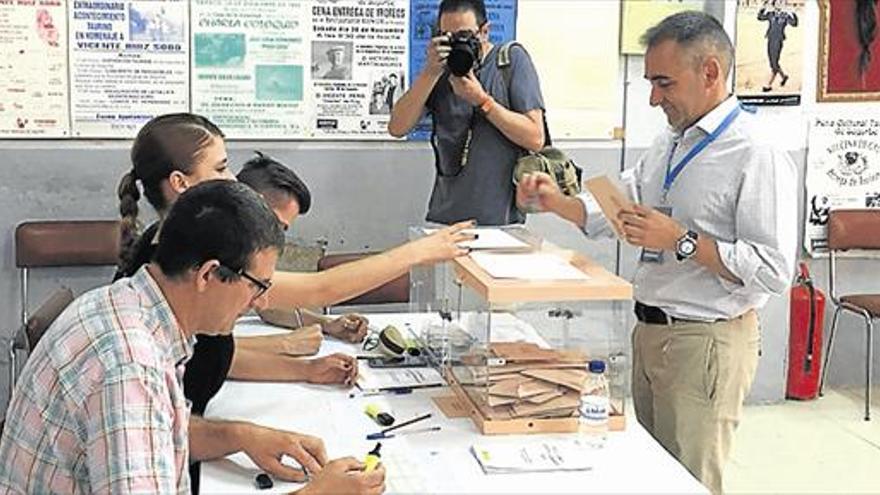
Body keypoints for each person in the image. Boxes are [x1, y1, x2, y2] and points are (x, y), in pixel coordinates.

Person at [516, 12, 796, 494]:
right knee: (648, 477)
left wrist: (682, 242)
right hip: (649, 332)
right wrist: (555, 202)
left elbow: (773, 270)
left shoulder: (756, 152)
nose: (653, 98)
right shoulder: (671, 141)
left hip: (705, 343)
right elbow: (620, 204)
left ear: (710, 72)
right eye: (650, 82)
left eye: (663, 83)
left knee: (688, 480)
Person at [114, 113, 470, 491]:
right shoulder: (137, 354)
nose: (233, 179)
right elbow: (321, 288)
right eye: (221, 167)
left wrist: (247, 427)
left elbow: (206, 363)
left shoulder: (166, 278)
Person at [0, 180, 385, 494]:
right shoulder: (131, 363)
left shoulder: (128, 303)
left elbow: (160, 429)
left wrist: (243, 436)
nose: (261, 301)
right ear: (208, 275)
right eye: (258, 286)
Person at [388, 0, 546, 226]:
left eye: (465, 35)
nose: (458, 43)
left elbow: (535, 137)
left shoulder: (510, 62)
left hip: (501, 221)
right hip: (444, 220)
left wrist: (482, 101)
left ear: (485, 31)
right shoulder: (440, 72)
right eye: (448, 37)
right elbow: (397, 128)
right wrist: (429, 73)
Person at [757, 0, 798, 92]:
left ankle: (768, 85)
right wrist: (764, 8)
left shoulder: (785, 15)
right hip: (770, 39)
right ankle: (784, 77)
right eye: (777, 2)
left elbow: (794, 24)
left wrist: (792, 13)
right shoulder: (771, 14)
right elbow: (760, 17)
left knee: (774, 63)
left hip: (778, 40)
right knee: (772, 61)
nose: (779, 4)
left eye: (781, 2)